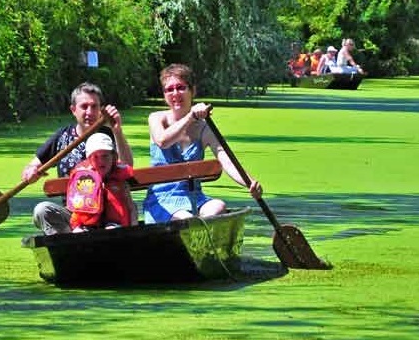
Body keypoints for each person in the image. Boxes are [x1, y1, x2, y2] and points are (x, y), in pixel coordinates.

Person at [143, 64, 263, 224]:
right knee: (186, 219)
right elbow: (163, 141)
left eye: (181, 87)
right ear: (164, 95)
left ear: (192, 91)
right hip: (162, 200)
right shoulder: (157, 118)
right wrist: (190, 117)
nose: (175, 93)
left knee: (218, 206)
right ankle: (197, 229)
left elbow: (227, 161)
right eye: (169, 89)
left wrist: (250, 183)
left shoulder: (204, 129)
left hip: (194, 197)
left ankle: (201, 232)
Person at [23, 82, 134, 235]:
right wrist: (31, 171)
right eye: (84, 106)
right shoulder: (62, 137)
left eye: (94, 106)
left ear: (100, 110)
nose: (89, 112)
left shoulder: (109, 134)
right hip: (76, 216)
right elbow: (32, 167)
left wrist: (118, 131)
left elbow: (127, 166)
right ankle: (69, 246)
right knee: (42, 210)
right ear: (73, 110)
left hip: (110, 215)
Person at [66, 133, 137, 232]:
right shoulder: (83, 177)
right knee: (79, 233)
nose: (101, 161)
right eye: (95, 157)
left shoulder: (120, 178)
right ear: (89, 159)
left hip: (115, 225)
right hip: (86, 225)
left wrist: (134, 229)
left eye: (105, 156)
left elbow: (131, 206)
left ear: (113, 157)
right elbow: (75, 204)